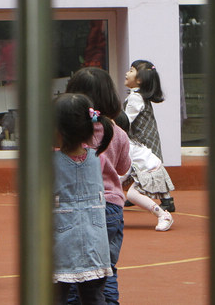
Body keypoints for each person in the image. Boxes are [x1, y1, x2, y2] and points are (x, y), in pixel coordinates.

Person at [65, 67, 131, 305]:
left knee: (73, 270)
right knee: (106, 268)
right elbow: (123, 168)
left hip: (75, 208)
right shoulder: (118, 133)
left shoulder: (67, 135)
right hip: (110, 207)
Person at [53, 93, 113, 305]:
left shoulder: (50, 161)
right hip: (95, 243)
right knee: (94, 297)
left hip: (60, 243)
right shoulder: (99, 157)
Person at [123, 59, 175, 213]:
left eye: (131, 70)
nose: (127, 73)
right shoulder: (138, 96)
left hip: (143, 141)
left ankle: (166, 199)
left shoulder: (135, 98)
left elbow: (126, 120)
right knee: (145, 168)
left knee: (148, 168)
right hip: (147, 139)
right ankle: (156, 197)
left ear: (139, 79)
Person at [114, 111, 174, 231]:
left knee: (132, 194)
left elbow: (125, 169)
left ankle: (163, 215)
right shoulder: (124, 141)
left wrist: (114, 182)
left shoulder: (127, 144)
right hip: (144, 170)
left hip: (151, 170)